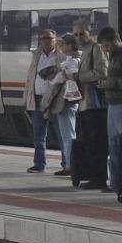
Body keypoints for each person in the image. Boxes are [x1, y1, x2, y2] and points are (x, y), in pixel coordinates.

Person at [97, 27, 122, 193]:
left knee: (120, 143)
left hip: (121, 103)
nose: (105, 49)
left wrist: (109, 84)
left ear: (114, 41)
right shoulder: (115, 55)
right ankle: (115, 182)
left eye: (106, 45)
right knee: (113, 145)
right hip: (112, 102)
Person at [24, 29, 61, 173]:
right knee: (38, 134)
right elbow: (30, 76)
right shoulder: (36, 55)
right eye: (43, 38)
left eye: (49, 38)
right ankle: (39, 164)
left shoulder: (60, 54)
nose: (46, 41)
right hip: (38, 99)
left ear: (55, 39)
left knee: (61, 133)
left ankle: (67, 164)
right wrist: (27, 96)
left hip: (55, 99)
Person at [52, 34, 82, 175]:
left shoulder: (73, 61)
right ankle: (70, 164)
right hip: (67, 101)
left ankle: (70, 165)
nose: (60, 46)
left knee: (68, 134)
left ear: (70, 45)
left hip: (67, 101)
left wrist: (59, 74)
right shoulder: (69, 59)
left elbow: (61, 78)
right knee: (67, 134)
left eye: (63, 43)